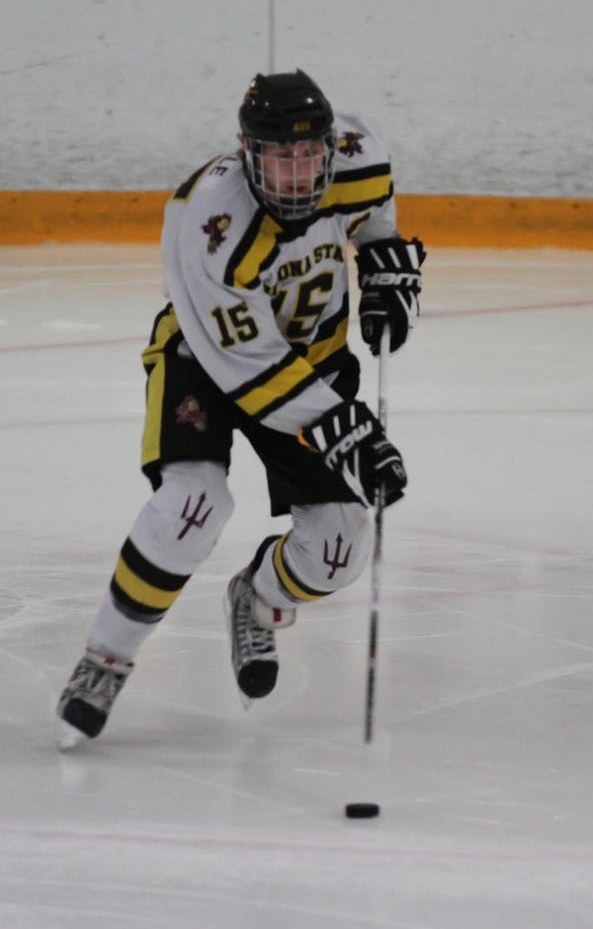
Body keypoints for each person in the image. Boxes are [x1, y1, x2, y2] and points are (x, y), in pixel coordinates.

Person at [57, 69, 425, 745]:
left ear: (328, 146)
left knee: (342, 545)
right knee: (191, 506)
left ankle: (256, 601)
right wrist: (339, 428)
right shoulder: (208, 222)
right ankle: (104, 657)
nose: (295, 175)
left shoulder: (358, 153)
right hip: (207, 363)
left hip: (311, 364)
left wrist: (385, 272)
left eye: (307, 156)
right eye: (278, 159)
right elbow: (247, 367)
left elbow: (374, 225)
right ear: (246, 153)